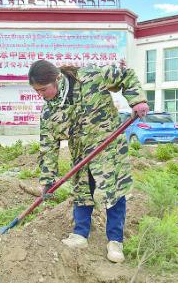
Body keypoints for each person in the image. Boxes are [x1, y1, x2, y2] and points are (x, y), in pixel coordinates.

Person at [28, 60, 149, 263]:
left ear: (57, 78)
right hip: (82, 155)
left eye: (43, 89)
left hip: (109, 148)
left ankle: (115, 241)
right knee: (83, 192)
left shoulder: (91, 76)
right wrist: (47, 179)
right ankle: (80, 234)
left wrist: (137, 100)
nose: (41, 95)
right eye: (37, 91)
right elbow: (48, 147)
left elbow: (126, 75)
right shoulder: (49, 112)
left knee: (114, 191)